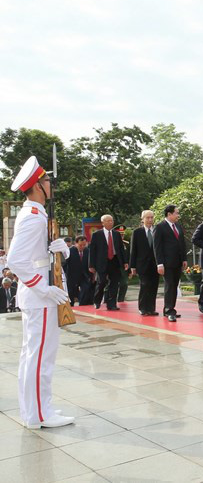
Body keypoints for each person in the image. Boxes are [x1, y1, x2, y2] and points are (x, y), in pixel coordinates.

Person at [7, 156, 74, 429]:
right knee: (40, 358)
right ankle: (38, 415)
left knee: (34, 355)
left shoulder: (36, 214)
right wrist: (44, 288)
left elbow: (37, 256)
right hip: (40, 298)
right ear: (37, 186)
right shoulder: (33, 218)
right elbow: (15, 260)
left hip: (39, 297)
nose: (51, 184)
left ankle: (37, 410)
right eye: (47, 180)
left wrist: (61, 250)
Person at [153, 204, 187, 322]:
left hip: (177, 262)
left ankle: (170, 308)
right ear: (169, 214)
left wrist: (184, 259)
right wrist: (160, 264)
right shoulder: (160, 227)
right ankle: (169, 310)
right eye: (176, 213)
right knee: (169, 286)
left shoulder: (177, 226)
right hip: (167, 263)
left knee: (174, 285)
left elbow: (181, 243)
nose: (178, 215)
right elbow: (157, 247)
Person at [88, 214, 127, 311]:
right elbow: (92, 251)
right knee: (101, 282)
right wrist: (91, 265)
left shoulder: (116, 234)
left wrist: (125, 261)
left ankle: (111, 304)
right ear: (103, 223)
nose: (110, 222)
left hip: (114, 261)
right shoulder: (97, 235)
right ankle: (97, 301)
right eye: (108, 221)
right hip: (102, 262)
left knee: (114, 283)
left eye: (112, 221)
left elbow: (121, 249)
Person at [129, 210, 159, 316]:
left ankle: (151, 308)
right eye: (147, 218)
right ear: (142, 219)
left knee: (154, 286)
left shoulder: (157, 230)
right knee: (144, 285)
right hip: (142, 264)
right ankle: (143, 307)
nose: (150, 220)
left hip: (155, 265)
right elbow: (133, 250)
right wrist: (132, 266)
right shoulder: (137, 232)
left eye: (151, 217)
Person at [62, 235, 87, 306]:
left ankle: (83, 305)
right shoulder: (70, 252)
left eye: (84, 245)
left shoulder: (87, 251)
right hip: (72, 276)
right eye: (80, 245)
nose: (82, 247)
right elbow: (65, 264)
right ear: (76, 243)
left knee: (85, 290)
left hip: (84, 276)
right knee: (71, 293)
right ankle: (71, 306)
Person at [115, 225, 129, 302]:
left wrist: (129, 270)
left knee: (124, 284)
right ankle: (107, 301)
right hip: (114, 267)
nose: (121, 236)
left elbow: (129, 257)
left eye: (123, 234)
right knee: (110, 285)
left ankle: (121, 300)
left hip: (123, 268)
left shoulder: (126, 244)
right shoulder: (112, 243)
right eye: (120, 235)